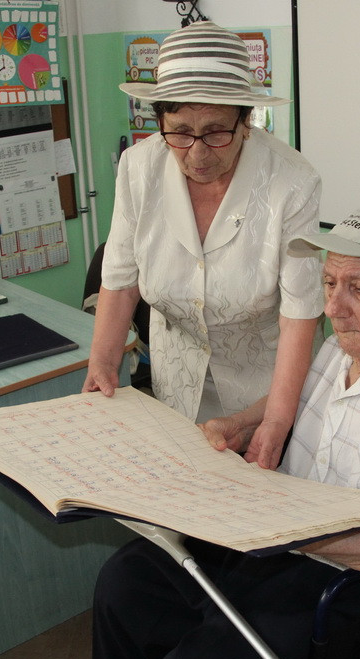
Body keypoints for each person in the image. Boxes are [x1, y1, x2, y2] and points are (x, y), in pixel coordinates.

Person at [91, 206, 360, 659]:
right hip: (281, 540)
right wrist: (243, 424)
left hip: (357, 579)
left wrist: (294, 534)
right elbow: (299, 395)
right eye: (329, 284)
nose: (333, 308)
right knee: (125, 583)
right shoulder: (345, 344)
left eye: (359, 289)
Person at [83, 21, 324, 470]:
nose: (197, 154)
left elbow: (300, 312)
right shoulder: (138, 168)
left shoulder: (292, 182)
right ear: (159, 121)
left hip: (269, 390)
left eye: (216, 132)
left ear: (246, 121)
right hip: (177, 384)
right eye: (179, 132)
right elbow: (120, 279)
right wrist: (102, 364)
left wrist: (276, 420)